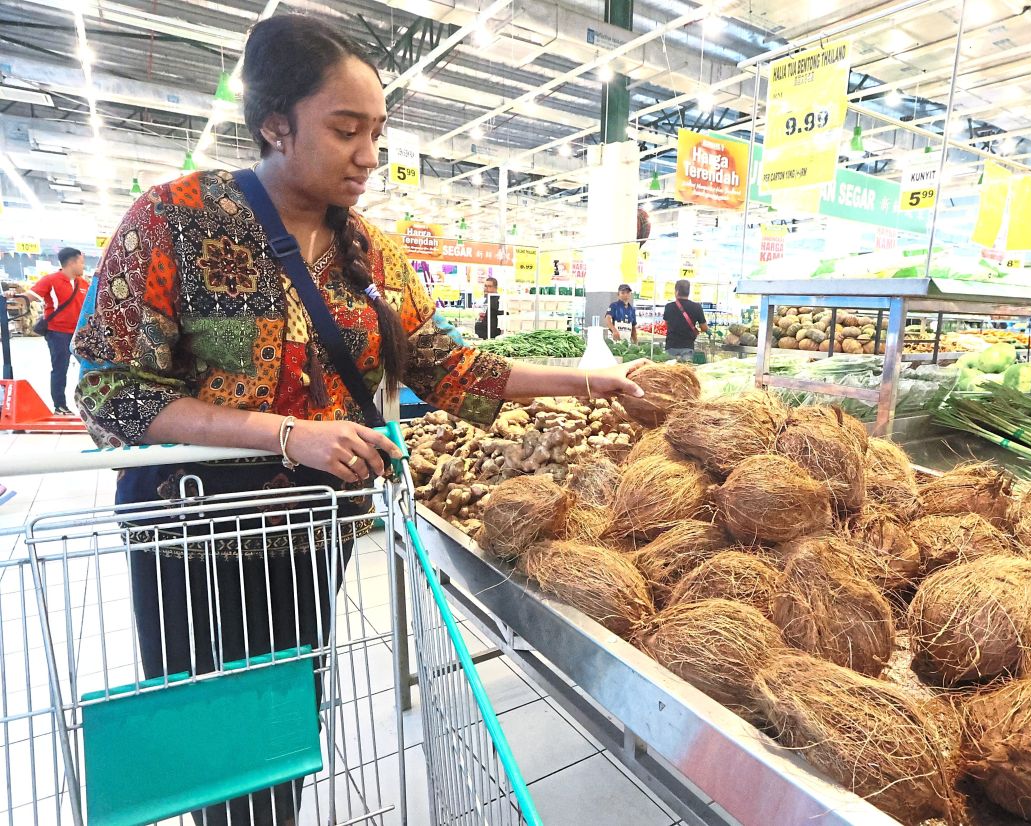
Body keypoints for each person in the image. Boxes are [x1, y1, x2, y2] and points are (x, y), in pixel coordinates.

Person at [71, 15, 644, 826]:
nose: (370, 155)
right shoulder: (173, 221)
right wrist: (284, 433)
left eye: (377, 131)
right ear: (275, 122)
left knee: (285, 724)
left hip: (312, 534)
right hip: (192, 533)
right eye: (346, 130)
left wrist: (598, 382)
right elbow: (108, 390)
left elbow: (452, 369)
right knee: (213, 739)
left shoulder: (372, 256)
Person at [5, 247, 89, 414]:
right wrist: (11, 295)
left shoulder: (84, 283)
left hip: (80, 335)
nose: (83, 266)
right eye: (81, 262)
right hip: (58, 333)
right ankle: (60, 406)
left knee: (89, 369)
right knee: (60, 369)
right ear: (71, 262)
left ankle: (90, 405)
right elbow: (29, 296)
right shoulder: (51, 280)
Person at [663, 278, 708, 361]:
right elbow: (704, 328)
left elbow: (666, 324)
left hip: (671, 345)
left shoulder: (668, 306)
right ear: (688, 292)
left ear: (676, 291)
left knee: (669, 371)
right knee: (685, 372)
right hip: (687, 346)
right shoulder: (696, 307)